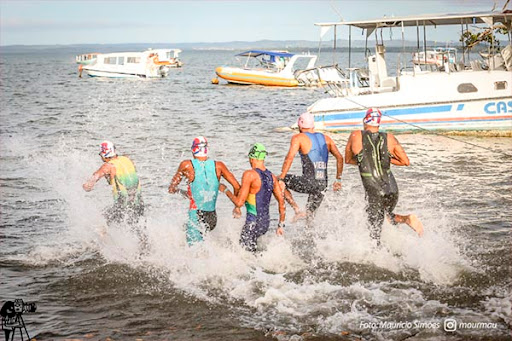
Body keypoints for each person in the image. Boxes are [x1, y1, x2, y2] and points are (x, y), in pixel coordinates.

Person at [345, 108, 424, 245]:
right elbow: (405, 161)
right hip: (392, 189)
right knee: (385, 216)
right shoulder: (390, 138)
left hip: (374, 190)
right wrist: (386, 158)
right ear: (379, 123)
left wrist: (366, 159)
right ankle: (405, 223)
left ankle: (379, 259)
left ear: (365, 120)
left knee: (374, 232)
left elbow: (348, 160)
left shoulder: (355, 135)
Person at [168, 136, 241, 245]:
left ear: (193, 150)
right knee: (200, 243)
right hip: (212, 217)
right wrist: (237, 207)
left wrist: (180, 191)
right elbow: (237, 186)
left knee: (194, 250)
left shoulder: (186, 165)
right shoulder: (219, 166)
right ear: (206, 149)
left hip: (196, 214)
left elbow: (171, 188)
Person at [278, 112, 344, 221]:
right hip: (322, 184)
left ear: (300, 125)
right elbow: (340, 158)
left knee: (277, 180)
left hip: (308, 182)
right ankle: (311, 237)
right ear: (313, 126)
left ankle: (297, 210)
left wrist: (281, 178)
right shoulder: (326, 138)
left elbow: (289, 158)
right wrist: (338, 179)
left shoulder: (298, 138)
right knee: (310, 218)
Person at [220, 143, 285, 252]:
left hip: (252, 223)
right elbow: (282, 202)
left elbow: (239, 202)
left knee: (243, 253)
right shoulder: (272, 177)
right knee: (252, 251)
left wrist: (225, 190)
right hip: (265, 224)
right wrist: (280, 225)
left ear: (251, 158)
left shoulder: (249, 174)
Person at [83, 141, 144, 225]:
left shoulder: (107, 166)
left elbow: (89, 185)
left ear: (104, 154)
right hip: (138, 203)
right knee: (137, 228)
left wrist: (84, 186)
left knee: (102, 220)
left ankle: (104, 238)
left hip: (122, 205)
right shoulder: (127, 159)